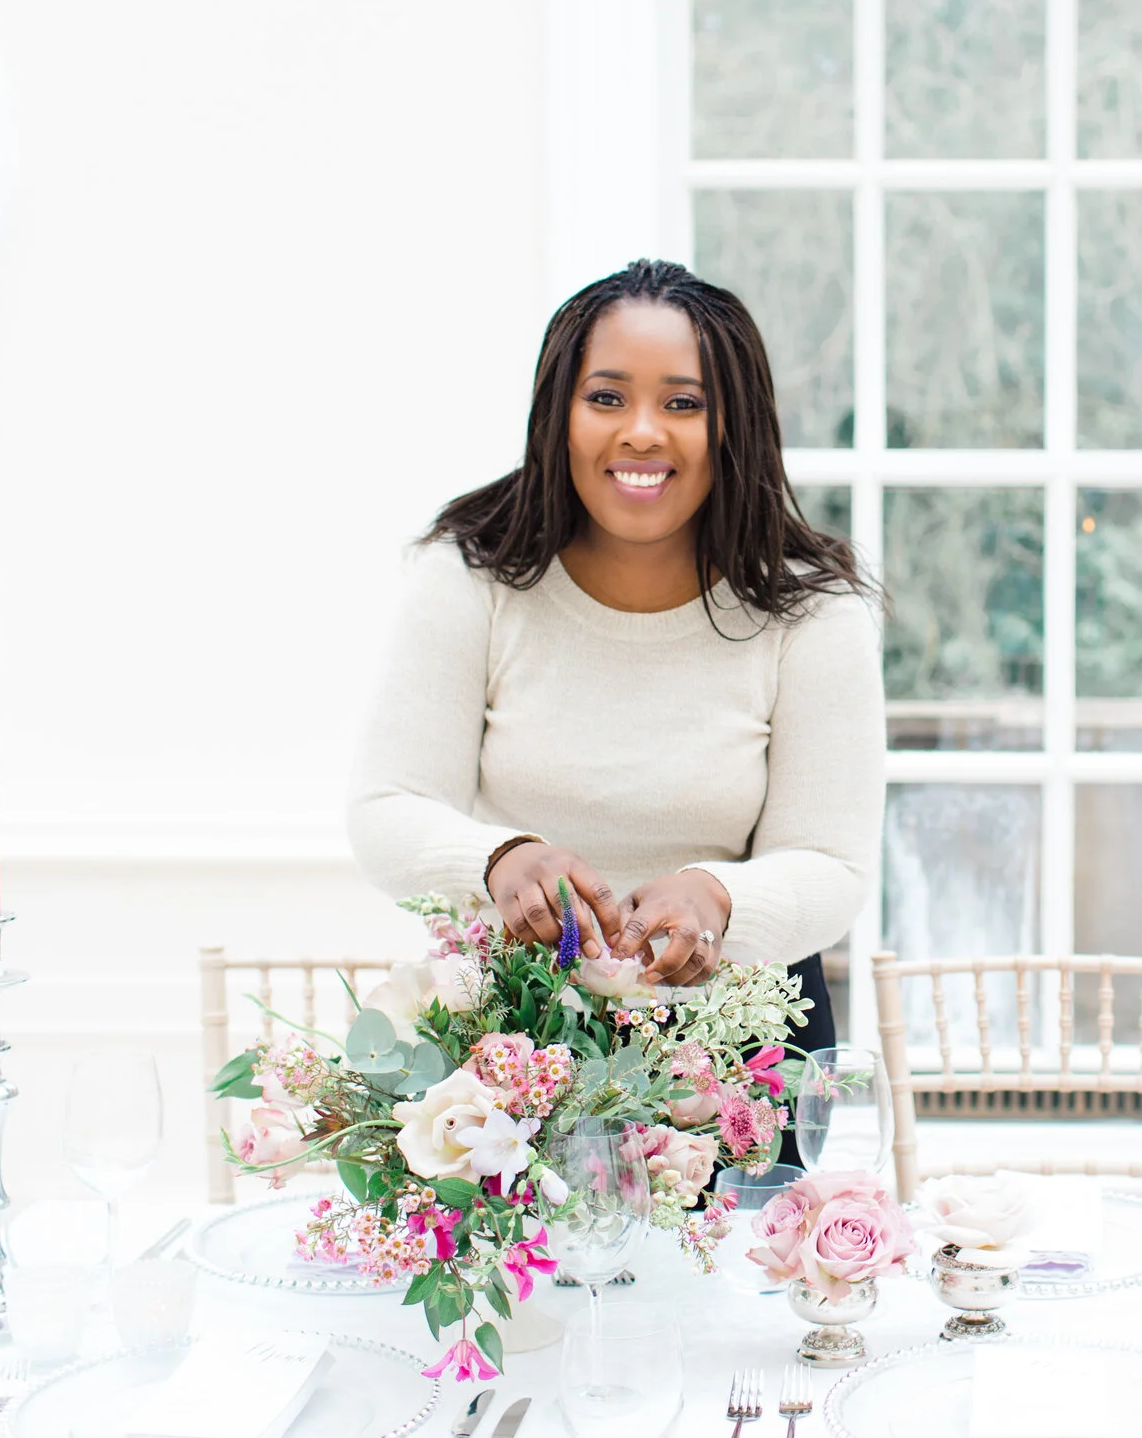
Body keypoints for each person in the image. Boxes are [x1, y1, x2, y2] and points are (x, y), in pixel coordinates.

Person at [346, 258, 883, 1058]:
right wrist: (499, 860)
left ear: (735, 425)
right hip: (513, 1041)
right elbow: (387, 807)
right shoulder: (469, 577)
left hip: (743, 1049)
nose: (641, 431)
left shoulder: (812, 611)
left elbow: (833, 865)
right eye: (606, 398)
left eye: (683, 403)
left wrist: (718, 897)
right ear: (557, 416)